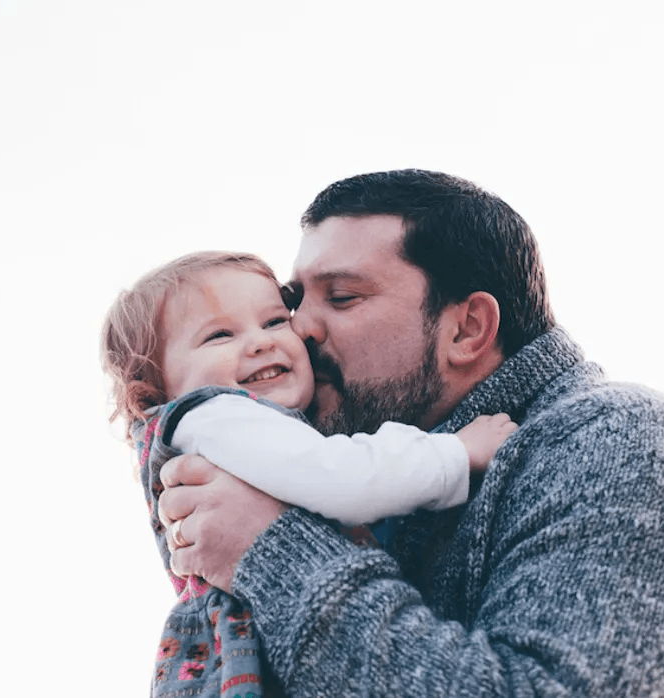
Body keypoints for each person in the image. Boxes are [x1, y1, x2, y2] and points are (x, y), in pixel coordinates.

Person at [156, 169, 664, 697]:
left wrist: (272, 552)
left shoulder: (626, 447)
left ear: (467, 330)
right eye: (294, 301)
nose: (300, 331)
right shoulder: (377, 489)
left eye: (341, 297)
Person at [101, 250, 518, 697]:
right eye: (219, 335)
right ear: (156, 387)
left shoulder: (244, 428)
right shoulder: (214, 414)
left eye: (275, 321)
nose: (260, 342)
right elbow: (346, 479)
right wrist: (457, 452)